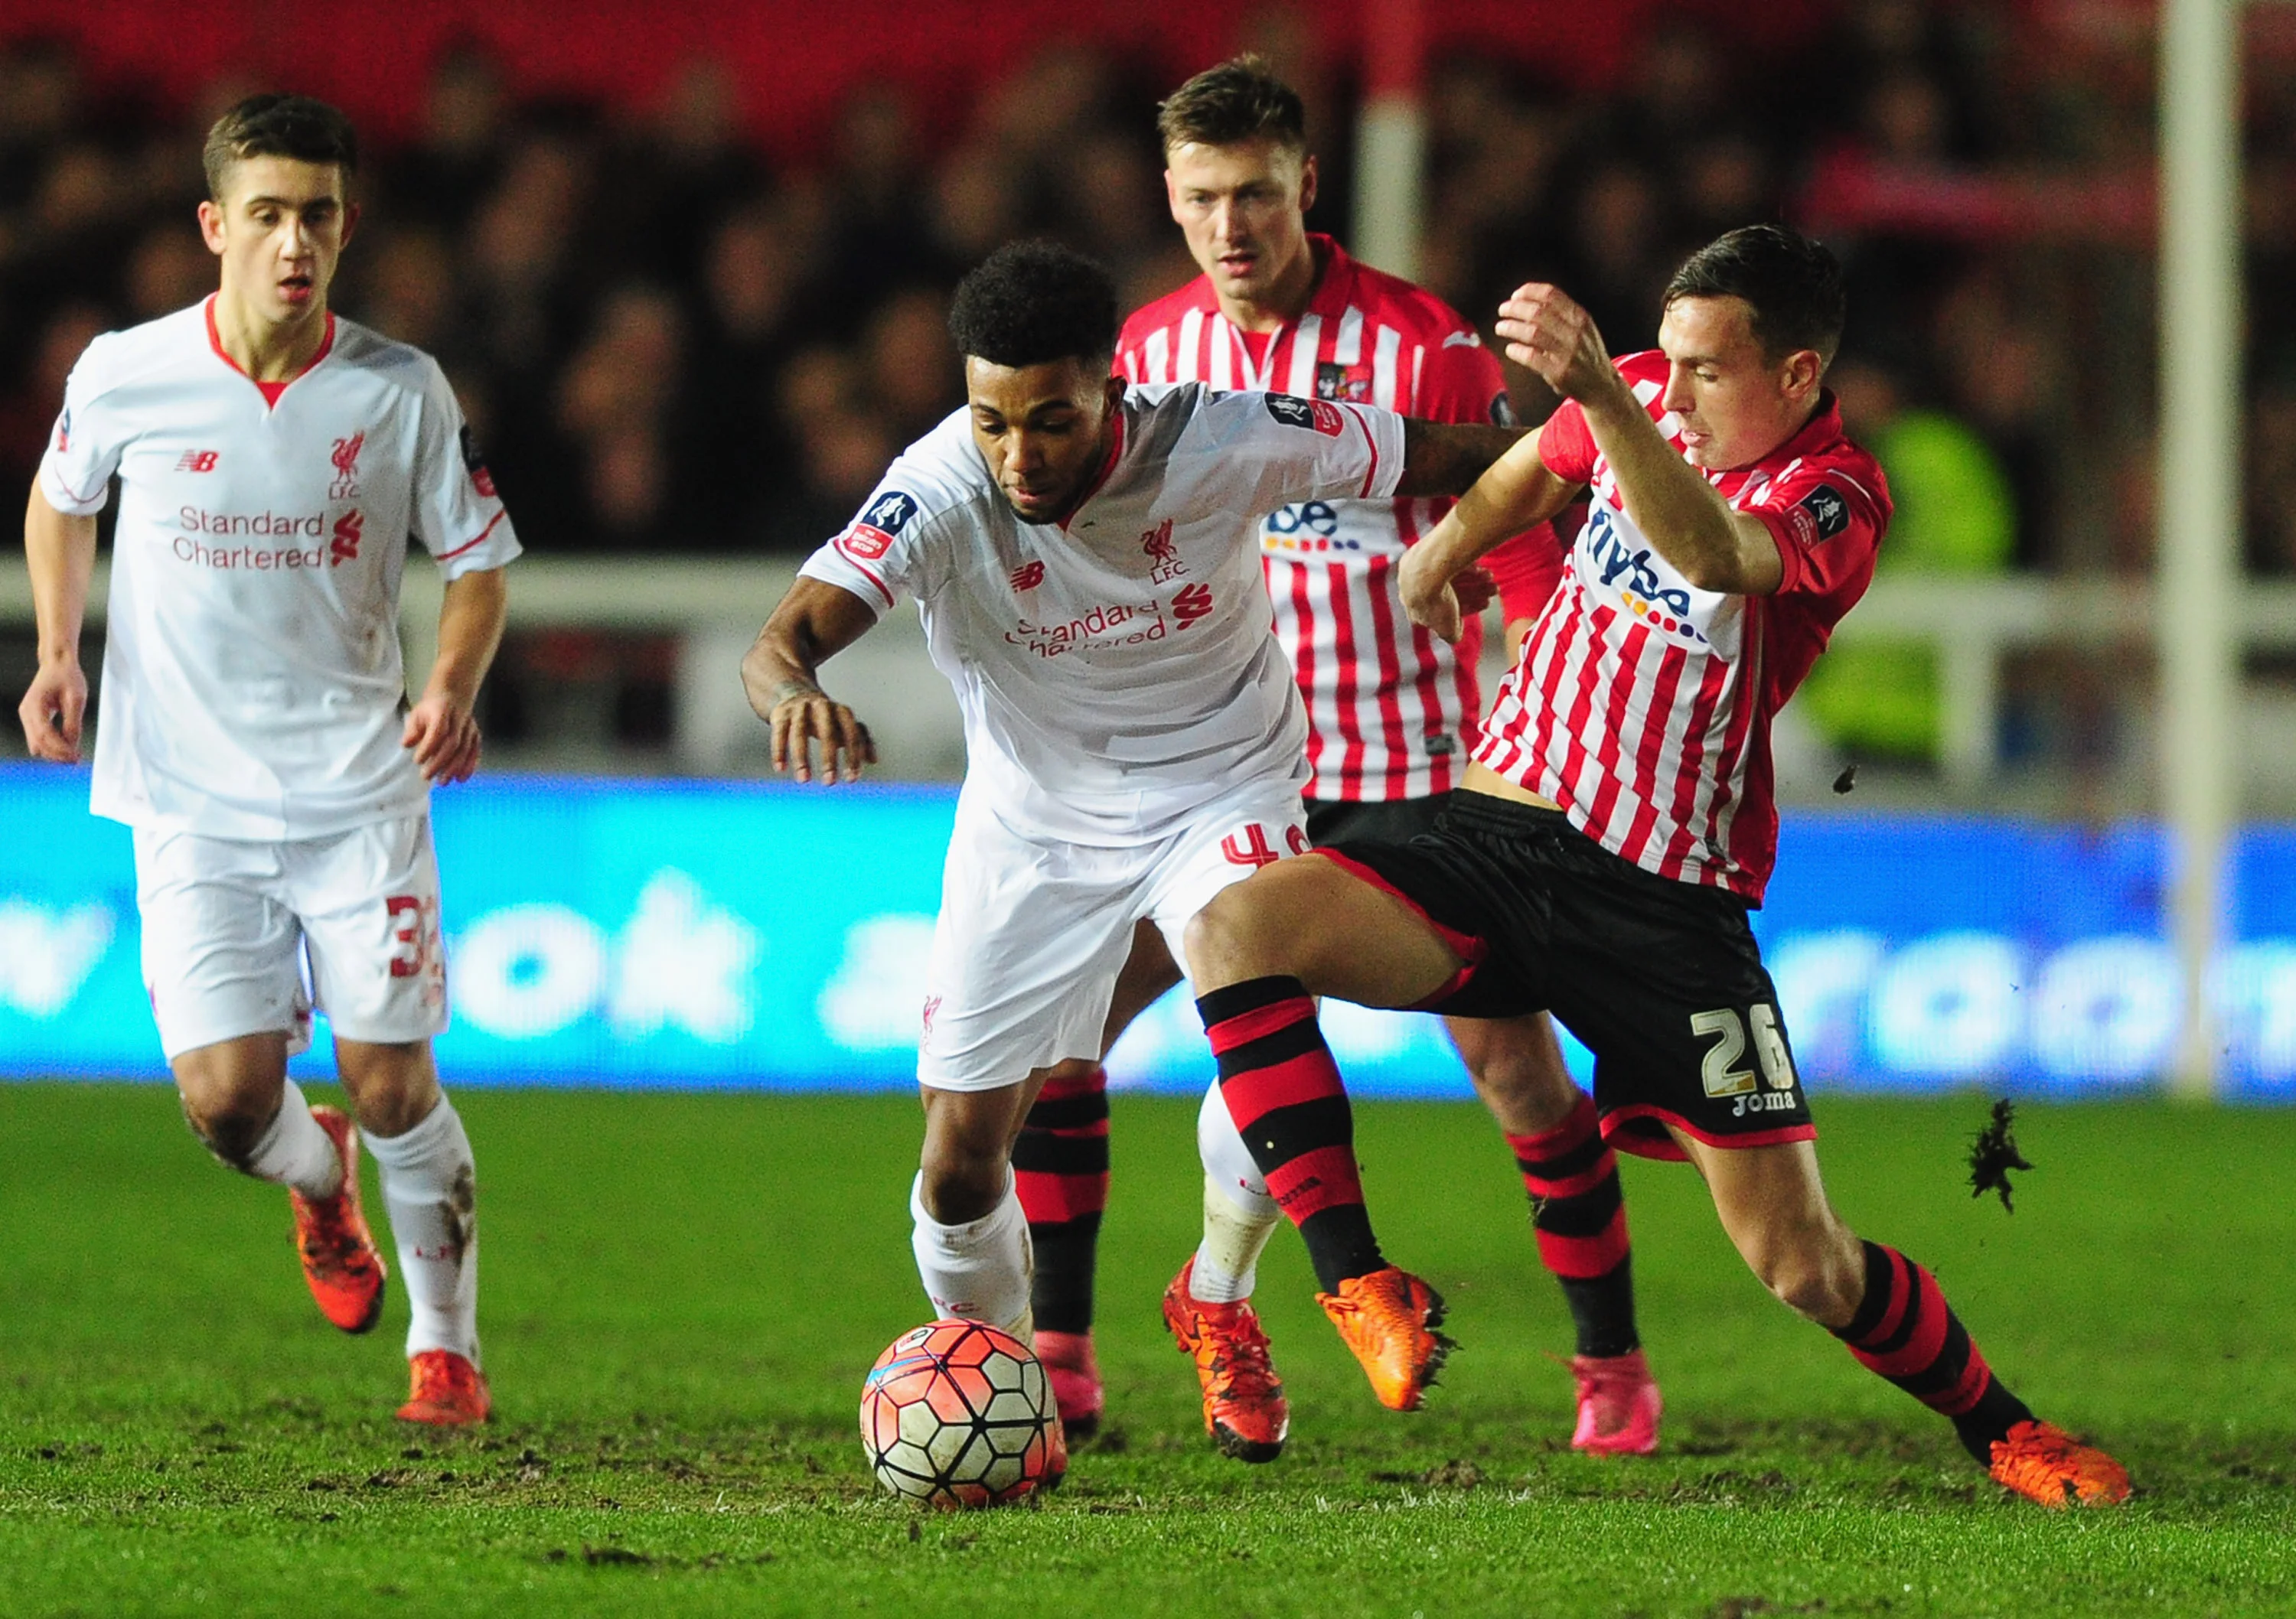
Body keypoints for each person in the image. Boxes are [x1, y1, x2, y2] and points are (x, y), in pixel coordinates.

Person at [1177, 224, 2131, 1508]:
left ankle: (2005, 1428)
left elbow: (1713, 557)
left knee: (1803, 1267)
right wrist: (1443, 555)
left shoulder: (1836, 492)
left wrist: (1611, 401)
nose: (1675, 389)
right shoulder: (1638, 397)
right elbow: (1531, 468)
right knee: (1238, 929)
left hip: (1664, 902)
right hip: (1494, 837)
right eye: (1665, 362)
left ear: (1796, 376)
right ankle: (1355, 1276)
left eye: (1707, 371)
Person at [740, 239, 1525, 1468]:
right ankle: (994, 1380)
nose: (1019, 455)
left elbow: (1456, 452)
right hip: (1034, 824)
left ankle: (1333, 1283)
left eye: (1050, 420)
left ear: (1114, 385)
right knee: (956, 1166)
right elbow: (781, 639)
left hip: (1227, 780)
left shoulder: (1223, 435)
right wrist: (792, 693)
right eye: (992, 420)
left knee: (1249, 972)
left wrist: (1597, 448)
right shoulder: (941, 487)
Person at [1013, 55, 1662, 1464]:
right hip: (1209, 777)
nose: (1231, 226)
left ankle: (1607, 1364)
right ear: (1169, 202)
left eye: (1255, 192)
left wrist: (1545, 717)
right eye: (1201, 199)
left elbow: (1536, 535)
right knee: (1059, 1031)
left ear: (1309, 185)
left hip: (1412, 775)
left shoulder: (1420, 349)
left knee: (1519, 1078)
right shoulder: (1147, 355)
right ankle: (1062, 1353)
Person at [18, 96, 517, 1425]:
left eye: (318, 215)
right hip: (186, 792)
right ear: (214, 227)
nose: (294, 241)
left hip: (358, 787)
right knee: (232, 1105)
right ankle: (315, 1179)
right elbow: (61, 503)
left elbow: (477, 570)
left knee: (395, 1077)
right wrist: (60, 650)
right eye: (268, 214)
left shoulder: (401, 389)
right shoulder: (126, 373)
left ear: (346, 228)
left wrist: (453, 686)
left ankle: (448, 1351)